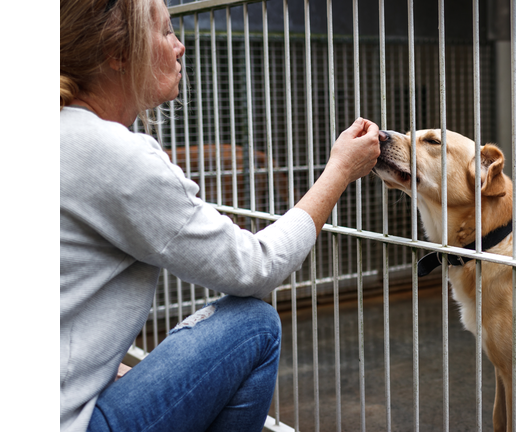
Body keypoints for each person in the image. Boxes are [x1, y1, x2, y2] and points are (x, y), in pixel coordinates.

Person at [59, 0, 381, 431]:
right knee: (253, 324)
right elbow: (255, 267)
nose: (181, 47)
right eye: (167, 31)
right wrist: (339, 171)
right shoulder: (112, 154)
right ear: (119, 53)